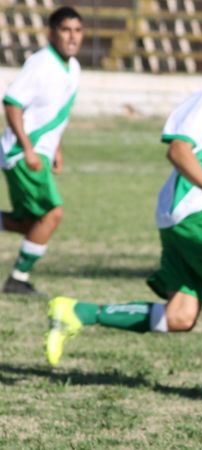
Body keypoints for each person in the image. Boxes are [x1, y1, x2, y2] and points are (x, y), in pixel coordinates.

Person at [45, 28, 202, 404]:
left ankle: (77, 312)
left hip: (195, 212)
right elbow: (178, 151)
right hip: (191, 207)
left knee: (180, 317)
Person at [0, 6, 83, 295]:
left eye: (77, 31)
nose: (72, 37)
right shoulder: (41, 64)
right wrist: (29, 149)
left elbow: (52, 114)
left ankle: (18, 277)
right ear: (51, 33)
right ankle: (18, 279)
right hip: (23, 154)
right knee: (52, 214)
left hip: (39, 153)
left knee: (29, 223)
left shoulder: (73, 67)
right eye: (65, 30)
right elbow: (12, 103)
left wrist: (56, 149)